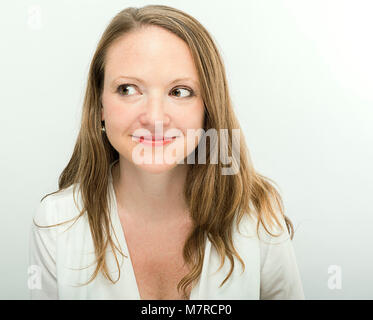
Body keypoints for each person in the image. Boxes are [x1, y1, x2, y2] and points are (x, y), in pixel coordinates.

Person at [29, 4, 305, 300]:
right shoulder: (56, 223)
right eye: (128, 89)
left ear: (208, 108)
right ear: (100, 107)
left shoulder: (258, 215)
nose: (155, 118)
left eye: (180, 92)